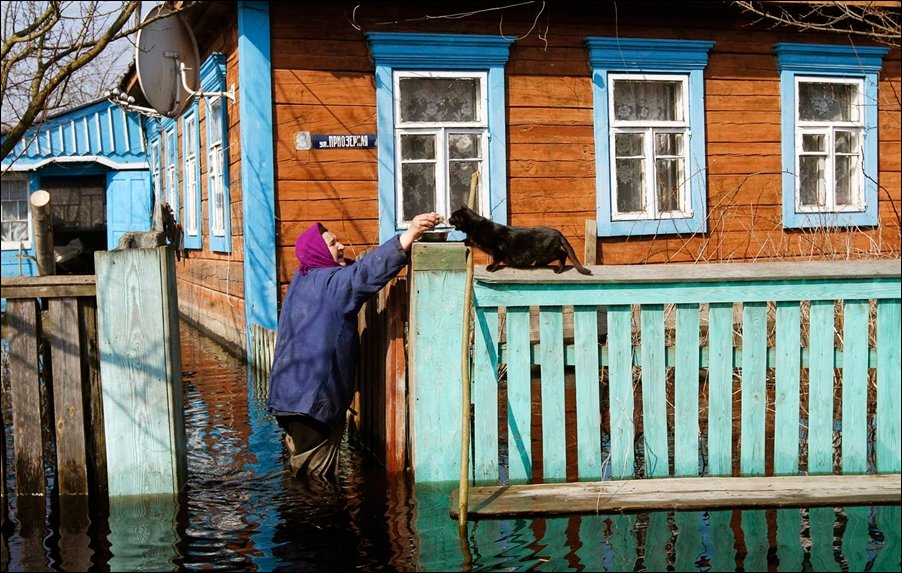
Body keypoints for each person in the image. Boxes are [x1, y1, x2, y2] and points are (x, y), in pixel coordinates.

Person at [268, 212, 442, 481]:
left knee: (299, 472)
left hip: (287, 399)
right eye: (332, 243)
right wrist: (409, 236)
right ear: (318, 251)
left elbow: (351, 270)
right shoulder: (332, 284)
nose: (341, 247)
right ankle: (316, 522)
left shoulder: (303, 279)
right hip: (313, 404)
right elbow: (361, 274)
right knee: (317, 486)